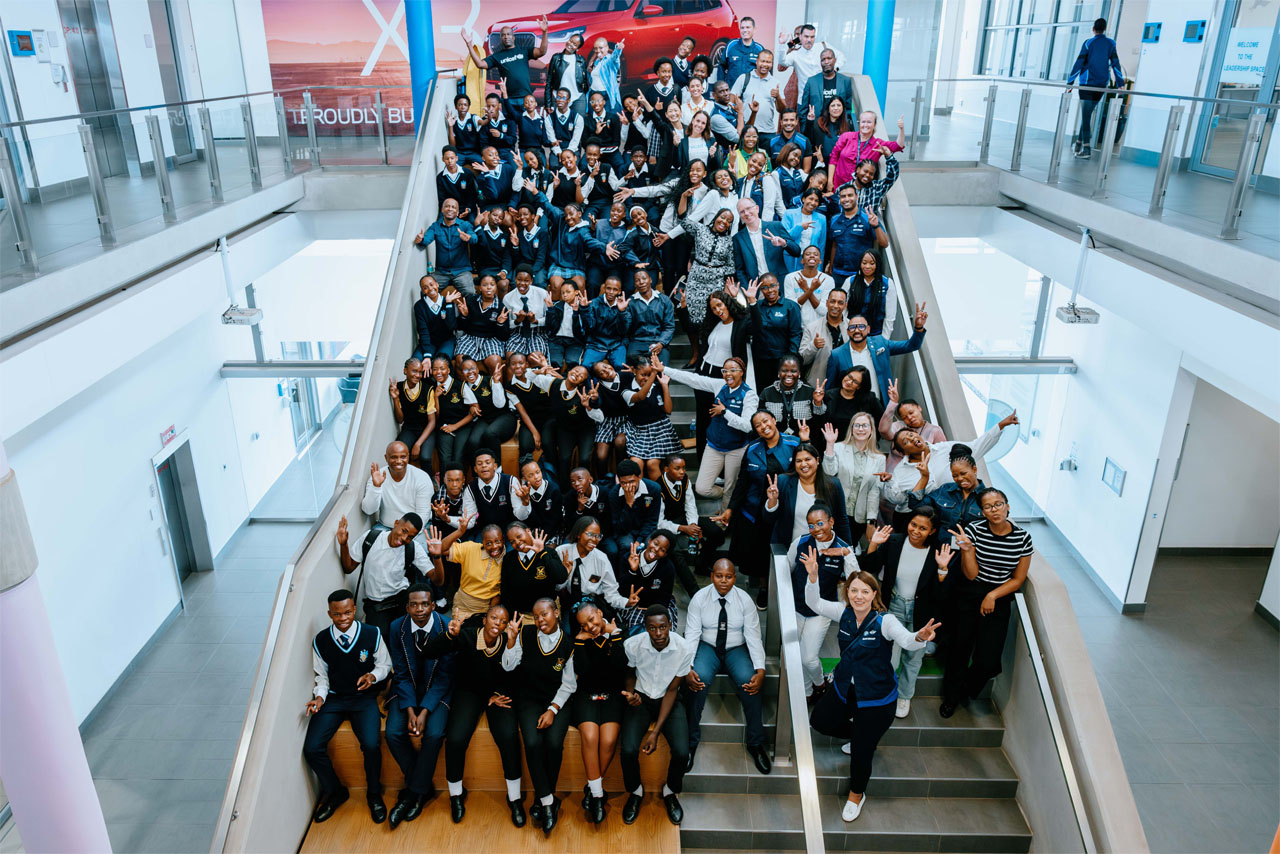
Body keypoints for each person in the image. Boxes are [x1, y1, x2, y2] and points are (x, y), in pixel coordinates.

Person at [805, 565, 938, 821]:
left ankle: (857, 794)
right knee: (819, 721)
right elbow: (813, 602)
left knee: (862, 754)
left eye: (864, 591)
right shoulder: (842, 612)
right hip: (846, 689)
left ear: (874, 594)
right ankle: (859, 736)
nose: (858, 596)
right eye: (853, 590)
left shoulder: (884, 620)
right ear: (847, 592)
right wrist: (813, 577)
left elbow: (906, 639)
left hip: (876, 698)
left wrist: (920, 637)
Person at [422, 606, 526, 826]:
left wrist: (511, 643)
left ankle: (515, 798)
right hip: (469, 692)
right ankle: (456, 795)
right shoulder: (467, 635)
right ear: (485, 620)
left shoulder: (510, 639)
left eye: (503, 620)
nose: (498, 623)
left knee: (508, 736)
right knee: (456, 738)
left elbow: (513, 672)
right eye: (494, 618)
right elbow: (429, 651)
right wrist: (450, 634)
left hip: (498, 693)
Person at [303, 589, 392, 824]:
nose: (343, 619)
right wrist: (320, 697)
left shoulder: (372, 633)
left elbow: (385, 665)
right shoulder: (321, 641)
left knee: (372, 745)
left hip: (363, 699)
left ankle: (373, 793)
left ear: (355, 610)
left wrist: (372, 676)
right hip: (334, 699)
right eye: (337, 614)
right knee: (312, 748)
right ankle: (335, 792)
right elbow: (321, 676)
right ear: (329, 614)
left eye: (347, 613)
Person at [942, 489, 1032, 717]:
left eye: (998, 504)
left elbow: (1018, 579)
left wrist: (992, 596)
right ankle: (950, 698)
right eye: (988, 507)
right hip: (970, 592)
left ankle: (965, 691)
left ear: (1007, 506)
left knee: (988, 660)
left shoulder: (1022, 538)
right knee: (960, 649)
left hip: (999, 596)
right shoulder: (974, 531)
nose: (994, 510)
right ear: (982, 511)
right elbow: (970, 574)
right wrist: (968, 549)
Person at [860, 510, 955, 718]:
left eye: (923, 528)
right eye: (913, 525)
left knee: (913, 656)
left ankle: (904, 696)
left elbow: (942, 595)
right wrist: (874, 544)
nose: (916, 531)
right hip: (893, 603)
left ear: (932, 531)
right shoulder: (894, 541)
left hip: (922, 609)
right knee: (889, 654)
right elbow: (868, 568)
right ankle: (885, 691)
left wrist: (942, 569)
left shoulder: (939, 551)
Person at [683, 559, 770, 773]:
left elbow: (753, 636)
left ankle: (756, 743)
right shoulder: (699, 599)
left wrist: (761, 669)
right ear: (712, 576)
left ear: (735, 577)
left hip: (735, 649)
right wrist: (687, 667)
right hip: (708, 646)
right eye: (719, 576)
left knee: (750, 683)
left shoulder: (745, 600)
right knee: (697, 681)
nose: (724, 581)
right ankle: (690, 743)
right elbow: (692, 635)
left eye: (728, 576)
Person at [502, 596, 577, 835]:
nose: (539, 619)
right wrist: (511, 642)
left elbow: (569, 685)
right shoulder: (525, 634)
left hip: (557, 701)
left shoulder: (568, 643)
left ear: (556, 612)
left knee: (554, 744)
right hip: (529, 699)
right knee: (533, 742)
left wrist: (553, 710)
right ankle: (547, 802)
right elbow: (508, 667)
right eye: (535, 616)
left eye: (544, 614)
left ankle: (541, 798)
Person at [714, 411, 802, 607]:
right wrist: (730, 509)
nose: (764, 426)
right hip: (756, 509)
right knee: (761, 551)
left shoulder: (795, 443)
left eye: (765, 421)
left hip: (788, 507)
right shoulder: (752, 449)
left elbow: (807, 469)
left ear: (773, 420)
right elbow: (743, 482)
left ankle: (790, 588)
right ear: (755, 430)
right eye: (758, 425)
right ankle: (764, 588)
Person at [385, 583, 453, 828]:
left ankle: (412, 794)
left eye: (425, 604)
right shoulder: (396, 627)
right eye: (414, 604)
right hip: (407, 689)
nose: (420, 609)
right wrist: (411, 710)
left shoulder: (447, 626)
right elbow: (401, 673)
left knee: (434, 734)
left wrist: (424, 712)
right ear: (407, 607)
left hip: (438, 690)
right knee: (393, 733)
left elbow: (445, 676)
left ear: (433, 605)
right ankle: (420, 787)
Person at [620, 606, 694, 825]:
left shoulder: (684, 648)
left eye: (663, 627)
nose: (659, 633)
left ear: (670, 626)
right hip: (641, 698)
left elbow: (672, 690)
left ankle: (671, 791)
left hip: (668, 699)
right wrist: (631, 695)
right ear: (646, 628)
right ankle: (635, 792)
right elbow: (630, 674)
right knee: (628, 750)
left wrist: (656, 732)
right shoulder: (633, 645)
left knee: (682, 752)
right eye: (653, 628)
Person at [882, 412, 1019, 527]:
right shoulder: (901, 471)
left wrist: (1001, 425)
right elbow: (897, 499)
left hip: (942, 514)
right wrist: (889, 482)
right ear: (903, 452)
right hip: (909, 516)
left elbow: (976, 446)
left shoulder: (946, 449)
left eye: (911, 435)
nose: (911, 439)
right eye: (905, 442)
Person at [661, 358, 757, 510]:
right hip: (714, 446)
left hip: (736, 449)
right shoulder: (720, 385)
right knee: (702, 488)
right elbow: (693, 379)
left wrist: (725, 412)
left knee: (730, 488)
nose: (728, 374)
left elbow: (747, 426)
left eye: (733, 370)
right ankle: (724, 494)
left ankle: (724, 521)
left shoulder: (749, 395)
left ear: (742, 372)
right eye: (725, 371)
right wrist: (664, 369)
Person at [786, 504, 858, 698]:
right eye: (811, 525)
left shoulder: (843, 548)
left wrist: (846, 555)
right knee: (794, 655)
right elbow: (787, 570)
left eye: (820, 523)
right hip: (796, 606)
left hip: (821, 610)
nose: (816, 529)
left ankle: (819, 683)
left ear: (831, 522)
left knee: (808, 658)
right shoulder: (800, 543)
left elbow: (856, 580)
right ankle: (808, 692)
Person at [336, 514, 435, 645]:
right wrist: (344, 545)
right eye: (403, 531)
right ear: (396, 524)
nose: (404, 538)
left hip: (400, 599)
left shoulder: (413, 548)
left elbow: (437, 579)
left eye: (410, 537)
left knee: (410, 637)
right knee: (380, 642)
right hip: (376, 604)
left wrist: (437, 556)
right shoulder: (371, 538)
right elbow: (348, 568)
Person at [570, 601, 627, 823]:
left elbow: (619, 667)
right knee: (591, 736)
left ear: (600, 613)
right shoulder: (581, 640)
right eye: (584, 625)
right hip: (587, 694)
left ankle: (591, 785)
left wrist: (615, 636)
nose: (590, 627)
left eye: (592, 620)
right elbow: (584, 672)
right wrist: (579, 642)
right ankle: (596, 795)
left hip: (612, 694)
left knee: (609, 740)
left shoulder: (619, 631)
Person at [826, 304, 929, 402]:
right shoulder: (837, 355)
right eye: (852, 327)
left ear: (868, 329)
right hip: (851, 408)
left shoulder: (880, 343)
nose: (857, 330)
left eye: (861, 327)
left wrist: (918, 328)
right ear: (848, 331)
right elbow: (830, 388)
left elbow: (911, 345)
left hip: (879, 403)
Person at [763, 441, 853, 549]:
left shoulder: (833, 484)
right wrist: (772, 501)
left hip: (823, 550)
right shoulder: (783, 482)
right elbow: (768, 520)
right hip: (789, 548)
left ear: (817, 460)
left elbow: (842, 520)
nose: (803, 464)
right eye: (799, 461)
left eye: (807, 459)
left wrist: (848, 549)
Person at [689, 291, 750, 449]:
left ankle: (721, 464)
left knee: (720, 418)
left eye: (719, 305)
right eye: (713, 308)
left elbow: (756, 324)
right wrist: (683, 308)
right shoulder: (713, 323)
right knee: (702, 418)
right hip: (703, 373)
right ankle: (702, 456)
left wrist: (748, 299)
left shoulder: (739, 324)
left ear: (727, 303)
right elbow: (692, 328)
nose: (717, 310)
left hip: (721, 376)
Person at [821, 415, 889, 546]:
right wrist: (829, 444)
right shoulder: (838, 448)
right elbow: (828, 472)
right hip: (834, 512)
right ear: (851, 429)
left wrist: (871, 522)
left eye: (865, 425)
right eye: (857, 425)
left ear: (871, 430)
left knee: (848, 552)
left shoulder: (879, 458)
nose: (861, 429)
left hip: (859, 518)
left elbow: (874, 492)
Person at [461, 18, 549, 114]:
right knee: (509, 129)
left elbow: (541, 51)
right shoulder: (497, 56)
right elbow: (480, 64)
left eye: (508, 34)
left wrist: (544, 32)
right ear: (501, 39)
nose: (506, 37)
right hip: (508, 99)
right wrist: (469, 44)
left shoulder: (524, 50)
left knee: (525, 128)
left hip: (525, 98)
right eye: (503, 35)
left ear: (513, 37)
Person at [1067, 18, 1124, 159]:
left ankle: (1086, 150)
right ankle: (1079, 144)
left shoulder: (1088, 43)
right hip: (1101, 85)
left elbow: (1079, 62)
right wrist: (1120, 82)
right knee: (1087, 115)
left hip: (1087, 84)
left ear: (1093, 29)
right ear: (1104, 29)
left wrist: (1070, 83)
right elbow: (1116, 64)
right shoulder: (1111, 43)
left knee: (1086, 116)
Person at [431, 513, 505, 622]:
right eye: (488, 543)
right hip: (463, 606)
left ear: (503, 540)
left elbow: (498, 593)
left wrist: (490, 613)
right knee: (458, 635)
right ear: (482, 543)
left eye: (497, 541)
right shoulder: (471, 548)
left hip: (485, 609)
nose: (494, 546)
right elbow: (440, 549)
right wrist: (460, 532)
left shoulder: (507, 560)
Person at [908, 444, 989, 542]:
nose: (959, 478)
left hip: (969, 552)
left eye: (963, 473)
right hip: (940, 550)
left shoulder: (988, 497)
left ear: (974, 469)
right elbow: (915, 505)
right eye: (955, 475)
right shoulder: (945, 490)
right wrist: (924, 477)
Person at [678, 201, 738, 329]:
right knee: (692, 314)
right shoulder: (701, 229)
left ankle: (709, 345)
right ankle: (695, 348)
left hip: (716, 282)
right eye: (722, 217)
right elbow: (683, 221)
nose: (724, 222)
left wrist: (726, 285)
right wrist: (683, 197)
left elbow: (730, 266)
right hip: (696, 278)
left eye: (729, 221)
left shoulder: (728, 241)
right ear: (716, 217)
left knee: (711, 315)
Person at [557, 516, 630, 619]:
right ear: (578, 534)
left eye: (598, 536)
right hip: (568, 603)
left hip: (593, 605)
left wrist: (627, 603)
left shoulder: (602, 559)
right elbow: (555, 587)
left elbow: (611, 593)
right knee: (568, 632)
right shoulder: (562, 552)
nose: (594, 539)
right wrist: (564, 575)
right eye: (590, 534)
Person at [745, 273, 803, 391]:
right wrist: (752, 303)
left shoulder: (790, 306)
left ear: (778, 285)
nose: (770, 290)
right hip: (761, 360)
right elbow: (751, 328)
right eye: (765, 288)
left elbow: (796, 334)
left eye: (772, 286)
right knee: (763, 392)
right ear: (761, 290)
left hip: (782, 360)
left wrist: (790, 359)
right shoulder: (757, 306)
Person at [826, 184, 888, 289]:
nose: (846, 199)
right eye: (843, 196)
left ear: (856, 197)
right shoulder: (834, 220)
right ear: (839, 199)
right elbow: (835, 245)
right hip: (838, 273)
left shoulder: (867, 218)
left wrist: (876, 226)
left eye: (850, 195)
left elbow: (884, 243)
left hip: (860, 274)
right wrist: (831, 267)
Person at [362, 441, 434, 528]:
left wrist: (404, 535)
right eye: (393, 457)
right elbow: (368, 510)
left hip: (415, 529)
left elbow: (423, 514)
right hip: (385, 527)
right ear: (386, 458)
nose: (399, 461)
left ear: (408, 457)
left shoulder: (421, 477)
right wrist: (376, 487)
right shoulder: (377, 476)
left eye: (403, 457)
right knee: (371, 540)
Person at [499, 523, 565, 617]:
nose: (517, 542)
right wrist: (514, 616)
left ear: (528, 531)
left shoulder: (548, 552)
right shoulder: (508, 559)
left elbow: (561, 577)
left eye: (519, 536)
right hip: (522, 615)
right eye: (512, 541)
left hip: (548, 613)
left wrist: (542, 553)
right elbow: (505, 592)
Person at [617, 533, 679, 632]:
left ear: (666, 554)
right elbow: (622, 590)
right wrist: (633, 571)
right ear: (649, 540)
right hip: (633, 603)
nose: (656, 549)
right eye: (655, 544)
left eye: (662, 550)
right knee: (636, 629)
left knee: (662, 629)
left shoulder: (668, 567)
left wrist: (651, 610)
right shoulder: (628, 558)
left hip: (657, 604)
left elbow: (665, 597)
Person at [880, 379, 946, 470]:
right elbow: (883, 430)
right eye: (905, 417)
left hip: (921, 476)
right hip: (893, 476)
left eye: (911, 413)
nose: (910, 418)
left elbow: (943, 454)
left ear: (919, 408)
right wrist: (893, 403)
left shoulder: (934, 430)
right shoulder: (899, 426)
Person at [415, 199, 476, 297]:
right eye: (447, 206)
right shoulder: (435, 226)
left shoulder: (465, 225)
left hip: (462, 271)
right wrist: (420, 239)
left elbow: (474, 238)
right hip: (441, 272)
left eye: (453, 207)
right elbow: (426, 240)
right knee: (424, 293)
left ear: (457, 212)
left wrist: (469, 238)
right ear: (442, 210)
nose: (450, 209)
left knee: (470, 293)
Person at [733, 199, 798, 288]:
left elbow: (796, 251)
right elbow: (740, 269)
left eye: (748, 208)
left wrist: (784, 243)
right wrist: (747, 289)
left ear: (757, 208)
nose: (746, 213)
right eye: (742, 212)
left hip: (779, 284)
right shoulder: (738, 238)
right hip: (757, 289)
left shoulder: (775, 226)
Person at [758, 354, 827, 437]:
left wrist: (817, 403)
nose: (789, 374)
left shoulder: (809, 392)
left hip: (803, 441)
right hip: (776, 441)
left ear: (799, 373)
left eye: (793, 371)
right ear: (778, 373)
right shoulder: (767, 393)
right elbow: (760, 421)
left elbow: (819, 422)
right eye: (784, 370)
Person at [830, 111, 905, 188]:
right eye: (863, 122)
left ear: (874, 124)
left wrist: (901, 129)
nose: (865, 125)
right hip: (839, 186)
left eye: (869, 122)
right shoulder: (846, 136)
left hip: (861, 190)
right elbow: (833, 158)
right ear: (859, 123)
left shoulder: (877, 144)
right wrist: (830, 182)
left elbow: (898, 145)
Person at [818, 366, 884, 451]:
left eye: (855, 382)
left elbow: (881, 422)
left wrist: (870, 441)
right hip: (832, 447)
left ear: (859, 386)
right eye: (849, 377)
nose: (849, 382)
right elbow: (819, 422)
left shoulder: (870, 399)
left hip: (860, 447)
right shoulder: (828, 396)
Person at [459, 360, 515, 457]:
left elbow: (500, 405)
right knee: (473, 441)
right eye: (465, 370)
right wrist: (471, 409)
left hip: (503, 416)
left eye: (472, 368)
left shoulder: (490, 380)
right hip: (484, 419)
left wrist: (496, 382)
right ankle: (476, 471)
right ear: (461, 373)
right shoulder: (463, 387)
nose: (470, 372)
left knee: (490, 434)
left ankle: (498, 468)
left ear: (477, 369)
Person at [429, 357, 477, 467]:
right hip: (444, 426)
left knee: (458, 457)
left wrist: (455, 426)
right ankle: (444, 484)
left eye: (442, 368)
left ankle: (461, 483)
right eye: (435, 369)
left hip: (462, 425)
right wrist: (436, 397)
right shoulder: (431, 388)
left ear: (449, 370)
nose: (438, 372)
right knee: (445, 458)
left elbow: (474, 411)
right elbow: (436, 416)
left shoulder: (460, 386)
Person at [390, 358, 437, 467]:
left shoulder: (428, 390)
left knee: (425, 457)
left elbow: (432, 422)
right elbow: (400, 420)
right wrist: (396, 399)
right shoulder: (398, 388)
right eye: (414, 371)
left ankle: (430, 480)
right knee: (399, 453)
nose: (418, 375)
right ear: (405, 371)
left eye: (420, 372)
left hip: (426, 429)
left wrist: (418, 444)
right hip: (409, 428)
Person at [626, 269, 676, 365]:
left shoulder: (664, 300)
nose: (641, 282)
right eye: (637, 280)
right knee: (633, 365)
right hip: (637, 342)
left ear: (650, 280)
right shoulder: (630, 302)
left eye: (644, 278)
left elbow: (669, 327)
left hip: (658, 340)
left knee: (662, 371)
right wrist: (622, 312)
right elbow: (625, 328)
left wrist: (661, 343)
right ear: (635, 284)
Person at [730, 49, 785, 134]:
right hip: (747, 131)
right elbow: (731, 101)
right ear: (757, 61)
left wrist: (778, 97)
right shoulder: (743, 78)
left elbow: (782, 110)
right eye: (762, 61)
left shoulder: (776, 83)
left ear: (772, 64)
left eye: (768, 62)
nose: (765, 65)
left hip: (768, 132)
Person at [846, 249, 898, 338]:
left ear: (877, 264)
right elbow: (844, 310)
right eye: (864, 263)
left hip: (877, 334)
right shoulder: (850, 281)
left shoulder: (887, 283)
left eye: (872, 263)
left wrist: (884, 339)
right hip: (853, 334)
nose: (867, 266)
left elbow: (890, 316)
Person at [778, 25, 846, 91]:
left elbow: (841, 56)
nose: (809, 40)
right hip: (804, 96)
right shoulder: (795, 54)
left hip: (824, 93)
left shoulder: (822, 46)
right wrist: (782, 44)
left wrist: (836, 68)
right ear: (800, 37)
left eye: (812, 37)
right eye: (806, 36)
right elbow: (782, 62)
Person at [798, 49, 853, 125]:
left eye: (829, 58)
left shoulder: (845, 81)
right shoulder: (811, 81)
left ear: (835, 60)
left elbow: (848, 108)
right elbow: (803, 109)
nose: (826, 62)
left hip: (838, 127)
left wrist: (845, 126)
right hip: (816, 127)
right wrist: (806, 128)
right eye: (823, 59)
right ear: (820, 62)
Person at [782, 191, 830, 277]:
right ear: (803, 199)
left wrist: (819, 267)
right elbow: (785, 238)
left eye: (816, 200)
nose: (813, 203)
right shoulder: (789, 214)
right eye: (810, 199)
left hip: (811, 261)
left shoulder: (821, 218)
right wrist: (799, 227)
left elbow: (821, 245)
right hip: (792, 259)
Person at [413, 274, 458, 364]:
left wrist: (448, 304)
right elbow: (423, 331)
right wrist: (427, 355)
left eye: (431, 284)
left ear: (437, 284)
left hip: (447, 340)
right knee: (415, 362)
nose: (430, 288)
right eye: (425, 287)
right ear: (423, 291)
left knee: (441, 362)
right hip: (429, 341)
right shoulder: (419, 306)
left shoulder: (447, 301)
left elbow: (451, 326)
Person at [849, 146, 899, 217]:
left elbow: (892, 176)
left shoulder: (877, 188)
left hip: (869, 225)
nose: (867, 175)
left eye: (871, 174)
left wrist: (889, 156)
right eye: (865, 171)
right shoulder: (844, 188)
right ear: (858, 170)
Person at [545, 33, 588, 115]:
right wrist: (548, 103)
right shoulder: (556, 58)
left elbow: (585, 81)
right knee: (559, 125)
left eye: (575, 44)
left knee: (579, 124)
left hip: (577, 98)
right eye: (570, 41)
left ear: (577, 48)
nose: (571, 44)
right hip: (559, 98)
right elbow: (549, 81)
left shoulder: (581, 60)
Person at [720, 16, 764, 90]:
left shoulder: (759, 49)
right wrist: (721, 86)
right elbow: (721, 66)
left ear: (754, 29)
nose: (745, 30)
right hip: (731, 91)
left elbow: (764, 71)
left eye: (748, 27)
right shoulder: (731, 45)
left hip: (751, 93)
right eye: (742, 28)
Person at [810, 95, 853, 164]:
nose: (836, 108)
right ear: (828, 109)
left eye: (839, 105)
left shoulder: (848, 126)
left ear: (843, 108)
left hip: (840, 164)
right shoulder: (819, 123)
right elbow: (810, 141)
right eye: (833, 106)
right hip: (821, 163)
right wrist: (810, 121)